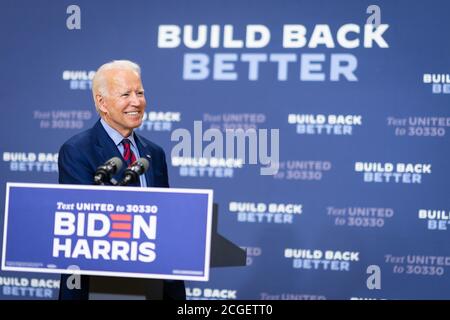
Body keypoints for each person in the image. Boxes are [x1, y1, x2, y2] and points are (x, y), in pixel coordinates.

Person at [58, 60, 185, 300]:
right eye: (126, 94)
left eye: (140, 93)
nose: (136, 102)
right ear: (101, 102)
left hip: (153, 282)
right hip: (98, 285)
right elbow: (84, 222)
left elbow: (166, 217)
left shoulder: (153, 153)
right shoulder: (77, 150)